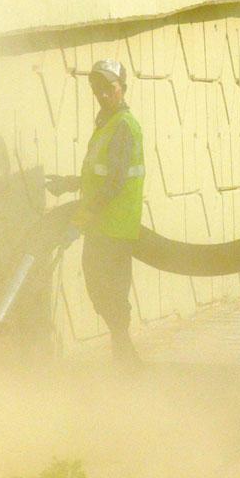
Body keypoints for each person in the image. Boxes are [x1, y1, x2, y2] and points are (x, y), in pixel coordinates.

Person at [46, 59, 146, 371]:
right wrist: (69, 184)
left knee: (110, 294)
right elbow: (98, 178)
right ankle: (125, 357)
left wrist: (77, 224)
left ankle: (126, 361)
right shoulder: (106, 123)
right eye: (97, 88)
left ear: (123, 89)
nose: (102, 94)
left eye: (109, 88)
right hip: (102, 227)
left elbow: (113, 184)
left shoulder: (122, 127)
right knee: (99, 291)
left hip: (115, 229)